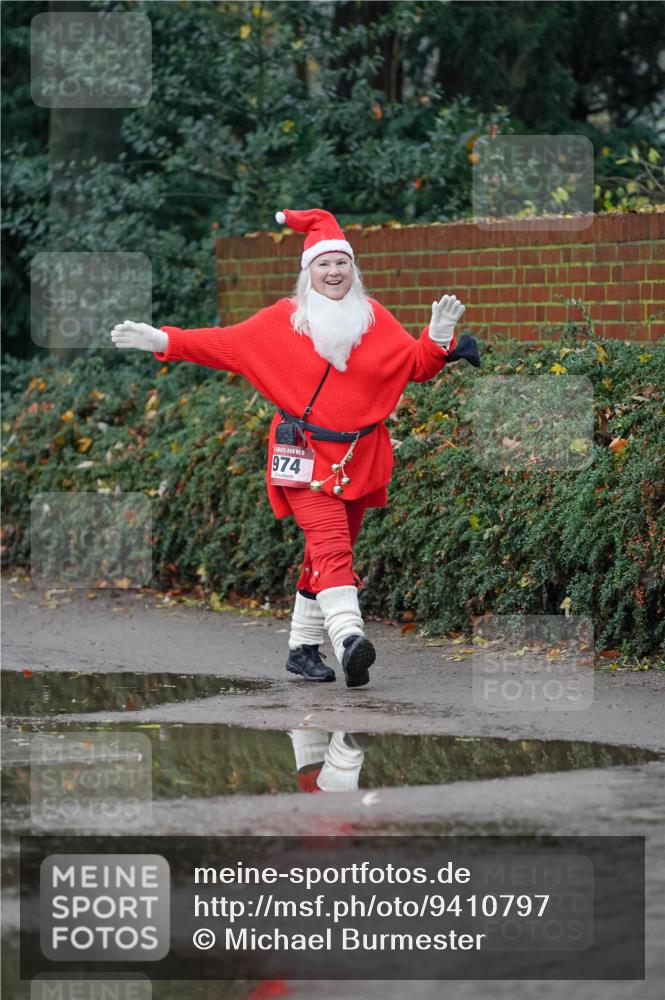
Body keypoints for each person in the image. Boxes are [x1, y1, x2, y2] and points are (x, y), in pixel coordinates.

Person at [110, 208, 479, 689]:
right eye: (323, 265)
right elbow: (225, 344)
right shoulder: (281, 321)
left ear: (353, 269)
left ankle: (303, 650)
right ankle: (350, 639)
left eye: (341, 264)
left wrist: (437, 337)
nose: (333, 273)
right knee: (331, 546)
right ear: (308, 272)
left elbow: (414, 365)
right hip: (302, 456)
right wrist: (163, 339)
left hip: (357, 457)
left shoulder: (374, 318)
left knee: (323, 554)